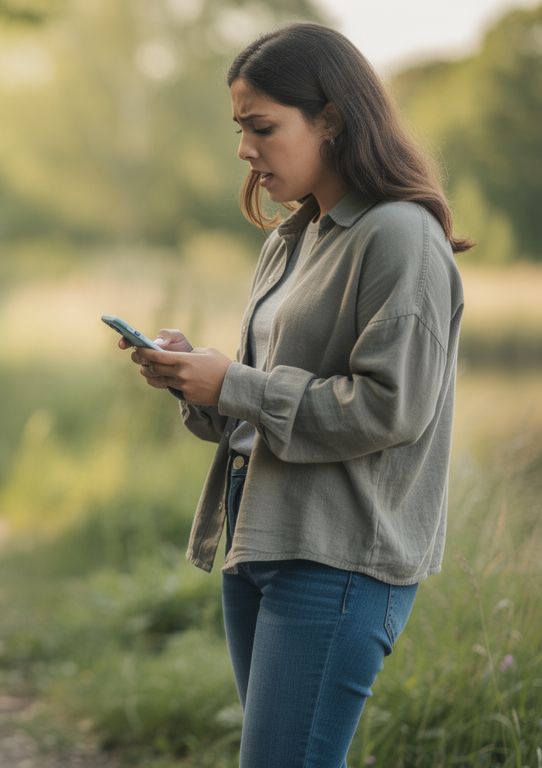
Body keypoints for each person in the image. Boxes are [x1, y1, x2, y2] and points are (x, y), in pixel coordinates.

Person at [118, 23, 470, 767]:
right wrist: (195, 380)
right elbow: (261, 409)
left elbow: (391, 407)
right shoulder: (291, 239)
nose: (244, 149)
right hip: (259, 533)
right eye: (239, 129)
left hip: (338, 556)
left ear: (331, 119)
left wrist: (234, 382)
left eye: (262, 127)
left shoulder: (400, 236)